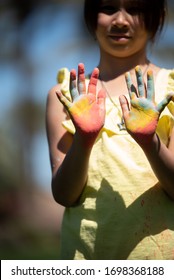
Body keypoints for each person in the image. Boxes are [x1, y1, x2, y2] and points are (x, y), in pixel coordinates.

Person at [46, 0, 174, 260]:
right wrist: (84, 138)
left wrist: (149, 141)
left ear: (157, 16)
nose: (120, 20)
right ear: (91, 16)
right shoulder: (67, 95)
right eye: (108, 8)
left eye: (136, 8)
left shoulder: (170, 90)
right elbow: (64, 194)